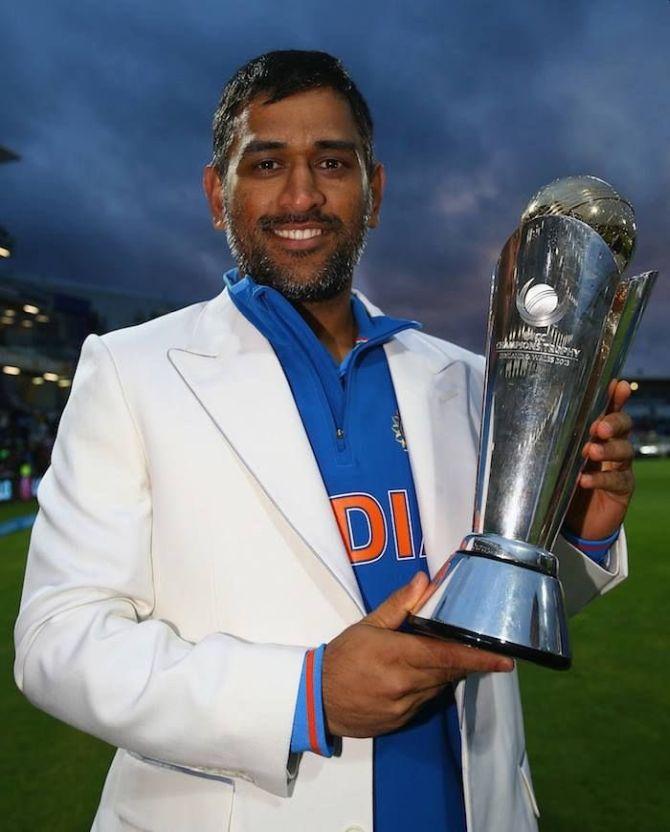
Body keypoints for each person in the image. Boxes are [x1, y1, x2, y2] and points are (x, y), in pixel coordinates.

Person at [14, 51, 634, 832]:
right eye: (267, 162)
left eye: (333, 163)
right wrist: (303, 695)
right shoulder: (132, 372)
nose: (301, 195)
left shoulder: (473, 377)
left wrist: (581, 527)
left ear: (375, 192)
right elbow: (57, 643)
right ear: (218, 193)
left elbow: (497, 605)